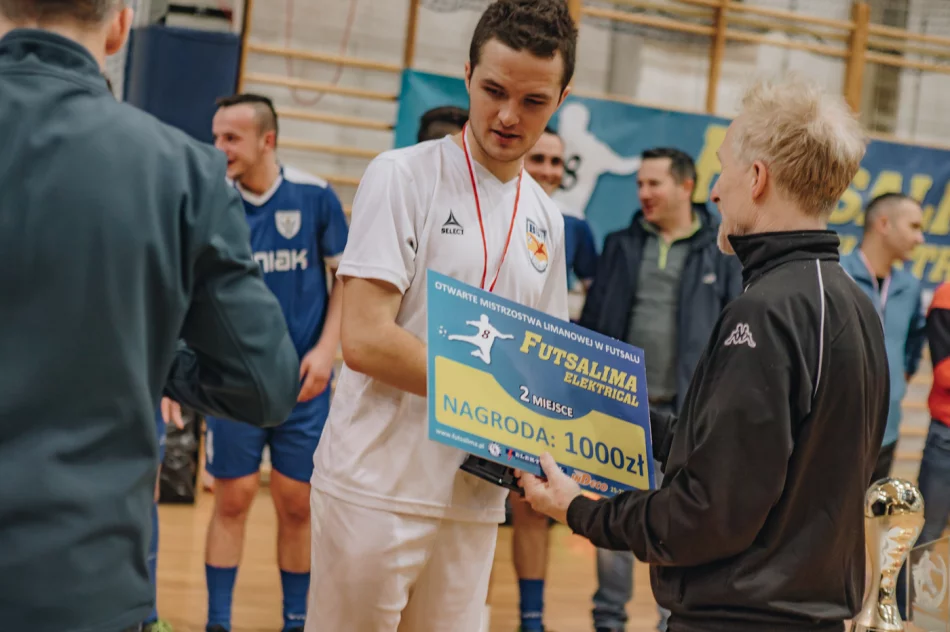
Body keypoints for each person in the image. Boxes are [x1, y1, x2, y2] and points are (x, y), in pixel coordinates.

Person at [519, 74, 890, 632]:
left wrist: (578, 510)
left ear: (758, 178)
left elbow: (704, 514)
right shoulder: (852, 303)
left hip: (739, 618)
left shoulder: (766, 311)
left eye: (723, 169)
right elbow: (762, 460)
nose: (714, 191)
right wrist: (623, 422)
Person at [0, 2, 301, 631]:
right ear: (119, 24)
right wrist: (149, 354)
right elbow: (265, 381)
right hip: (83, 579)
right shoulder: (181, 169)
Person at [304, 1, 577, 630]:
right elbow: (366, 341)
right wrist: (498, 389)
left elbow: (542, 363)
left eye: (533, 101)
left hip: (474, 496)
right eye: (493, 91)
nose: (508, 116)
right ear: (467, 75)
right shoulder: (401, 176)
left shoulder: (549, 220)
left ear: (560, 98)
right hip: (374, 484)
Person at [198, 93, 348, 632]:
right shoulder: (211, 199)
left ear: (268, 140)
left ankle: (295, 620)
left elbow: (347, 282)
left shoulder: (314, 196)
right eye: (215, 137)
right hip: (232, 385)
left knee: (296, 502)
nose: (219, 149)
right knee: (232, 499)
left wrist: (327, 350)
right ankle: (218, 621)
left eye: (230, 138)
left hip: (302, 385)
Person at [578, 146, 743, 632]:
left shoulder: (722, 250)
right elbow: (592, 325)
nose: (644, 193)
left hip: (686, 418)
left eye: (655, 184)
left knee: (673, 529)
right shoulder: (620, 245)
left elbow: (735, 332)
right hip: (620, 413)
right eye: (640, 185)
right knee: (613, 520)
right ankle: (608, 619)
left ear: (686, 187)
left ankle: (671, 621)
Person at [840, 192, 926, 482]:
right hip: (836, 430)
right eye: (913, 227)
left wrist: (896, 382)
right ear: (884, 224)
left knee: (870, 520)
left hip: (887, 430)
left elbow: (914, 343)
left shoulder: (910, 287)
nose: (920, 238)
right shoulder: (837, 275)